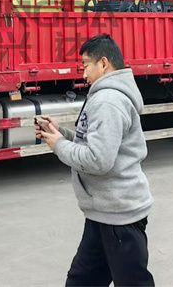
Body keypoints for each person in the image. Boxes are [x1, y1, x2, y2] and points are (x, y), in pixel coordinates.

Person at [36, 33, 155, 286]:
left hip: (120, 217)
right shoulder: (104, 97)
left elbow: (99, 160)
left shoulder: (107, 101)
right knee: (82, 280)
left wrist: (59, 146)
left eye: (85, 66)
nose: (83, 74)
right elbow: (94, 143)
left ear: (103, 63)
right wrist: (61, 134)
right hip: (102, 213)